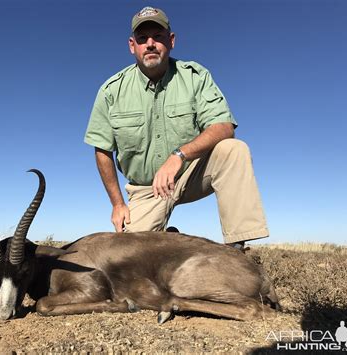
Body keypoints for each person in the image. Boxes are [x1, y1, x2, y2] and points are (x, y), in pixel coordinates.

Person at [84, 6, 269, 249]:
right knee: (127, 255)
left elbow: (224, 126)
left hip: (190, 173)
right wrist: (118, 204)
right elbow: (102, 149)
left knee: (234, 149)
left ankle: (237, 249)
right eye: (142, 39)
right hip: (145, 189)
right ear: (132, 46)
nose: (150, 44)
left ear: (171, 41)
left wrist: (179, 156)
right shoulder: (110, 91)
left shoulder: (195, 76)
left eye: (158, 37)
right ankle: (170, 239)